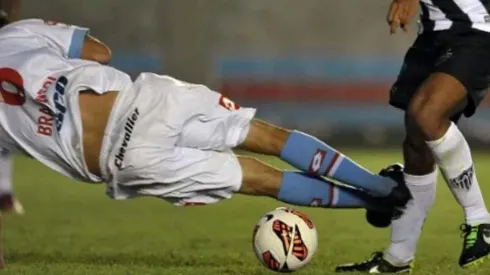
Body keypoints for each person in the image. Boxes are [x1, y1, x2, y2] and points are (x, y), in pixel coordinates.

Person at [0, 17, 412, 267]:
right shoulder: (16, 33)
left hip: (120, 159)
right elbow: (99, 53)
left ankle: (373, 203)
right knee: (267, 136)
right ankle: (385, 189)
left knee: (259, 179)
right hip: (143, 103)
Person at [336, 0, 490, 273]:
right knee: (417, 143)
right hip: (432, 35)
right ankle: (398, 259)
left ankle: (481, 222)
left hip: (477, 28)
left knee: (427, 113)